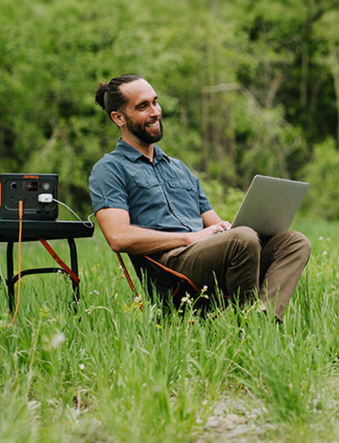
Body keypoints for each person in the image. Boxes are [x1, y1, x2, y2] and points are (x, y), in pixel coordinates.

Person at [88, 74, 311, 322]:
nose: (155, 112)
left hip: (205, 255)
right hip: (170, 268)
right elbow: (118, 237)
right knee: (243, 238)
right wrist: (190, 237)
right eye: (143, 106)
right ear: (118, 117)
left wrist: (238, 226)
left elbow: (215, 223)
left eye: (155, 102)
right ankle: (250, 327)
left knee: (293, 242)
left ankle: (265, 321)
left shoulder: (178, 168)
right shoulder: (109, 169)